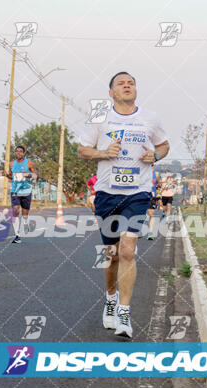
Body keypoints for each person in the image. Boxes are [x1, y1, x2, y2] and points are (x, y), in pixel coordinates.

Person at [78, 71, 170, 338]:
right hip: (107, 192)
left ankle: (124, 313)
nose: (127, 85)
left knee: (128, 250)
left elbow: (164, 145)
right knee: (112, 254)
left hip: (138, 193)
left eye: (131, 82)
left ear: (136, 90)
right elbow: (83, 149)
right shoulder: (100, 116)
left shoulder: (150, 118)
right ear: (111, 93)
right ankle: (110, 298)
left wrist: (156, 155)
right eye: (121, 83)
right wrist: (103, 152)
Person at [4, 145, 37, 243]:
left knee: (25, 213)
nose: (18, 153)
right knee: (15, 211)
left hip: (26, 191)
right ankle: (17, 236)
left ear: (24, 153)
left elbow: (35, 176)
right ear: (15, 153)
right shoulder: (11, 164)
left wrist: (28, 175)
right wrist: (6, 175)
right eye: (17, 151)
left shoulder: (29, 163)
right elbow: (12, 177)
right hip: (15, 191)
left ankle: (26, 223)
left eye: (20, 151)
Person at [146, 167, 158, 240]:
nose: (151, 166)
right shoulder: (142, 171)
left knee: (151, 214)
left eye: (152, 165)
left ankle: (150, 233)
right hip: (142, 195)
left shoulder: (156, 174)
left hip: (152, 196)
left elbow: (158, 183)